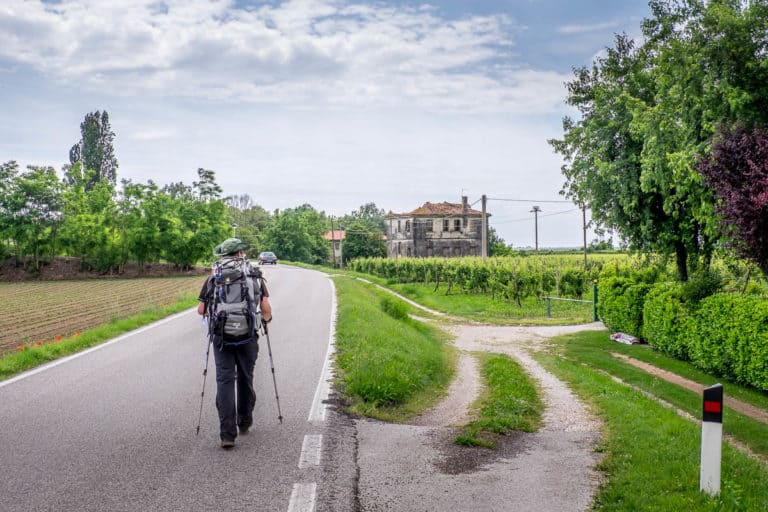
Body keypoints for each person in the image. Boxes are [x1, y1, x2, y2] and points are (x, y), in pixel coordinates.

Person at [197, 238, 272, 449]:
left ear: (224, 255)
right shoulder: (254, 274)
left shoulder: (215, 276)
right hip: (248, 336)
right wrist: (266, 322)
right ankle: (245, 421)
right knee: (246, 378)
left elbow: (201, 310)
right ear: (240, 253)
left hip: (222, 339)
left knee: (225, 381)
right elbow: (265, 308)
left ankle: (227, 434)